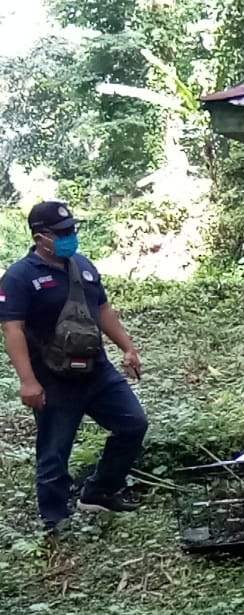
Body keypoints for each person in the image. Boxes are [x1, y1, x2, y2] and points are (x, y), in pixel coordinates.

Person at [0, 200, 149, 532]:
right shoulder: (20, 277)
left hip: (97, 371)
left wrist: (128, 348)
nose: (71, 237)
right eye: (63, 233)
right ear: (41, 237)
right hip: (53, 379)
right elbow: (12, 330)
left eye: (73, 230)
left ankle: (99, 491)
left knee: (133, 424)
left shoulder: (82, 265)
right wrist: (27, 381)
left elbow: (105, 310)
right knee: (54, 453)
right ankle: (56, 520)